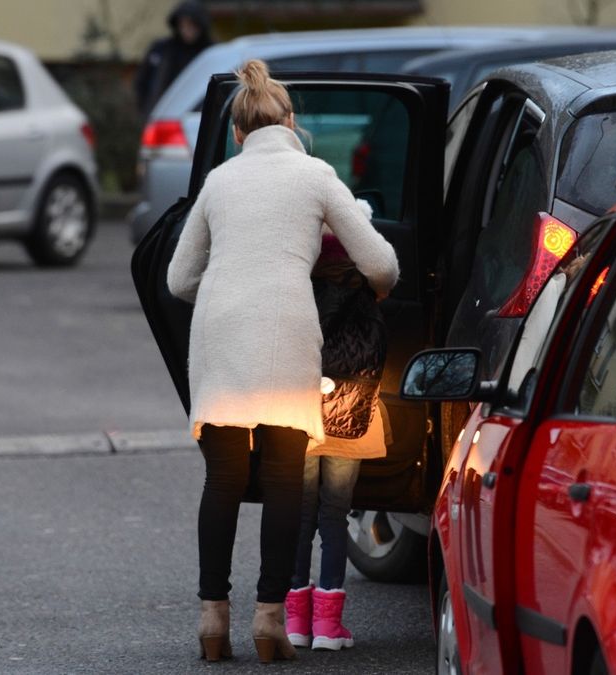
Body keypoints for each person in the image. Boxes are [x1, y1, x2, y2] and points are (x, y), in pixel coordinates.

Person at [166, 59, 399, 664]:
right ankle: (271, 622)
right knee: (281, 481)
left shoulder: (219, 181)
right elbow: (381, 264)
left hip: (220, 334)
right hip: (287, 332)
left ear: (238, 132)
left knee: (222, 480)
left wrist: (230, 284)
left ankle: (212, 619)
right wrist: (366, 291)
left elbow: (178, 279)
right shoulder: (316, 176)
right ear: (291, 123)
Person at [286, 223, 392, 652]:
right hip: (353, 416)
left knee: (299, 516)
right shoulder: (367, 288)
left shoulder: (297, 287)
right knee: (335, 517)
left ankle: (295, 622)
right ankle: (328, 627)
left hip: (300, 417)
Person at [134, 1, 213, 117]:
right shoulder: (163, 49)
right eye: (183, 25)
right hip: (161, 113)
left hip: (195, 116)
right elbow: (142, 83)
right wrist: (146, 109)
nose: (187, 30)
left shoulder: (211, 52)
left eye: (192, 25)